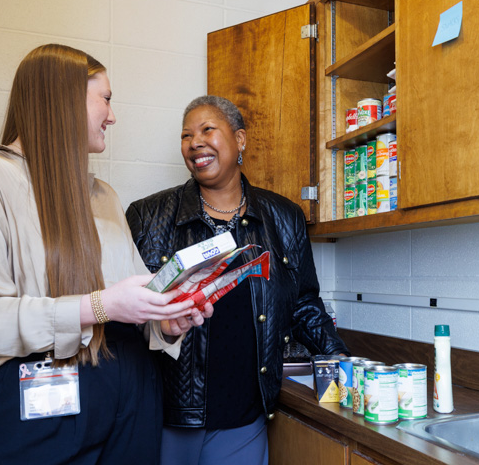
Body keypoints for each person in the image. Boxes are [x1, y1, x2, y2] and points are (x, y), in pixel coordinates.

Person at [0, 44, 212, 464]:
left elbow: (132, 301)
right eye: (106, 99)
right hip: (35, 398)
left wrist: (167, 321)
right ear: (63, 98)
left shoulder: (103, 196)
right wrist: (101, 305)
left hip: (132, 388)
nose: (113, 115)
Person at [126, 95, 349, 465]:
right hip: (166, 416)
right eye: (186, 135)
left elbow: (304, 304)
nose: (194, 142)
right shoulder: (148, 216)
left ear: (240, 139)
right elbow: (128, 317)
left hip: (245, 419)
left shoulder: (283, 217)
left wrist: (341, 361)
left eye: (207, 130)